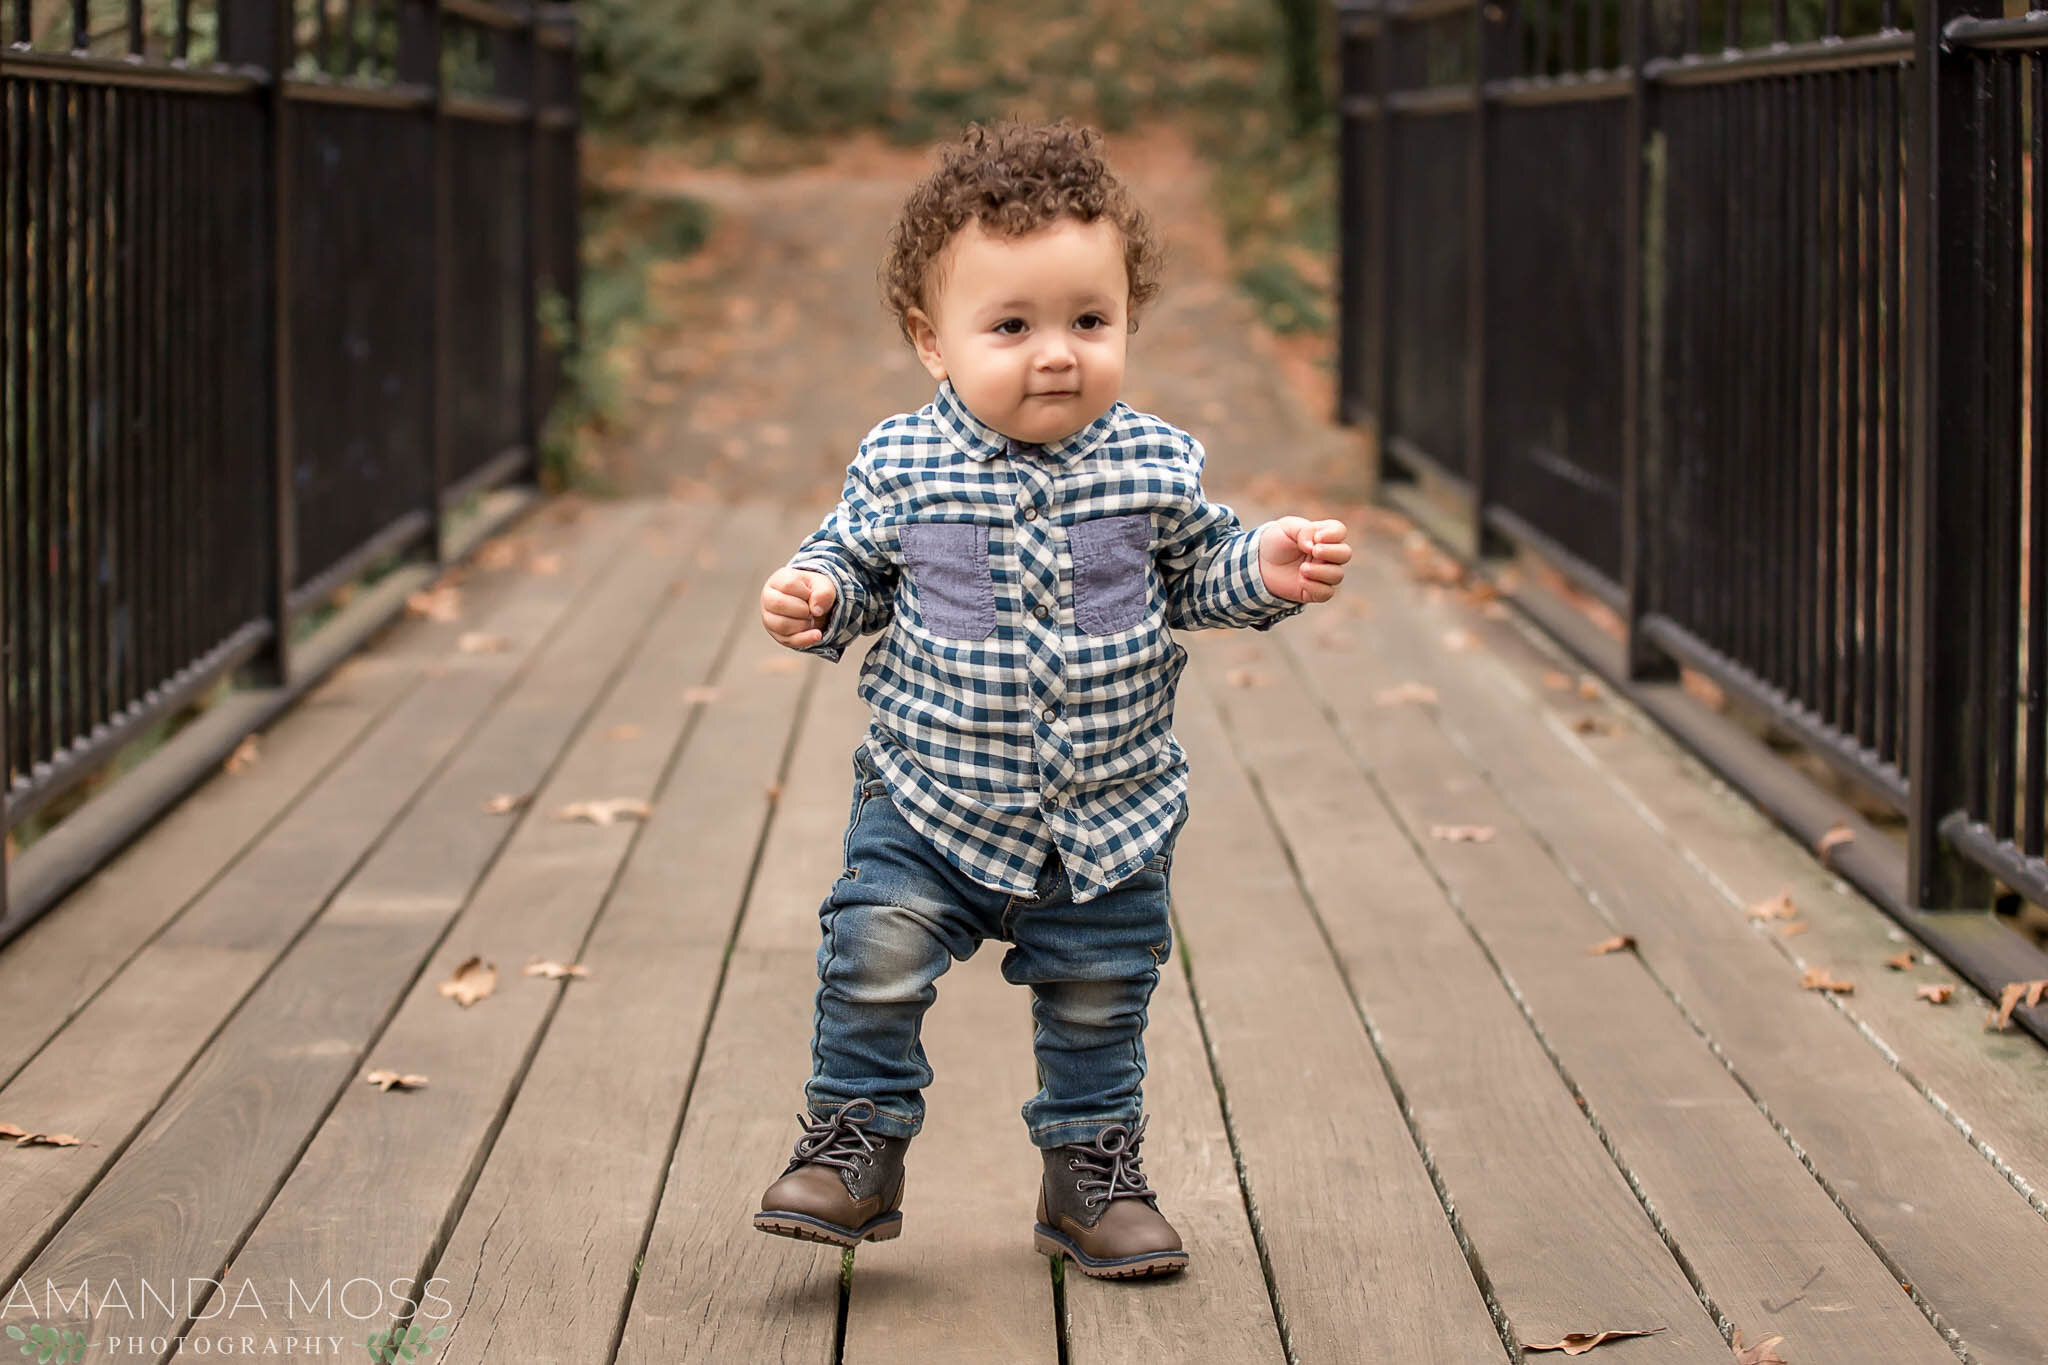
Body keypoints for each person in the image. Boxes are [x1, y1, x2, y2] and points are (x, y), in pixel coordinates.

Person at [751, 118, 1350, 1280]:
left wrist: (1262, 568)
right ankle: (852, 1148)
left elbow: (1197, 573)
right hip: (929, 801)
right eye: (1011, 327)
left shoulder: (1153, 464)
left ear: (1127, 318)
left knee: (1098, 1000)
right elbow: (854, 566)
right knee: (871, 955)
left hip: (1105, 817)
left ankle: (1088, 1173)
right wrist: (815, 595)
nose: (1057, 355)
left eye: (1089, 321)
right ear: (932, 341)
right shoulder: (899, 464)